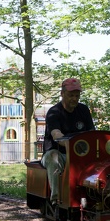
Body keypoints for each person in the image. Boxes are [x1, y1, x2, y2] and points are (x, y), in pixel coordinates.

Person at [41, 78, 95, 206]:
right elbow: (56, 134)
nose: (74, 99)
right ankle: (56, 198)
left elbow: (92, 134)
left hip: (82, 155)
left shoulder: (84, 110)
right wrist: (72, 145)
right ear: (62, 94)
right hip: (60, 154)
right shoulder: (54, 112)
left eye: (77, 96)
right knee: (53, 157)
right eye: (71, 95)